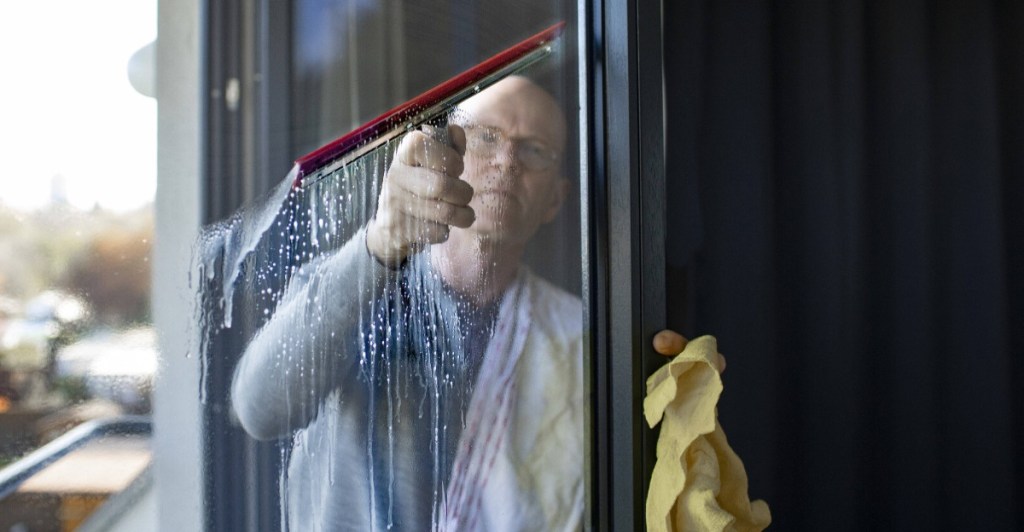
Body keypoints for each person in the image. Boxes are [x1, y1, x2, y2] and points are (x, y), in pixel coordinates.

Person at [231, 75, 698, 531]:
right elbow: (259, 409)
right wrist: (381, 244)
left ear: (556, 200)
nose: (508, 161)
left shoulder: (585, 340)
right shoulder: (354, 286)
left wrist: (677, 395)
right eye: (486, 137)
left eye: (534, 150)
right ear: (447, 158)